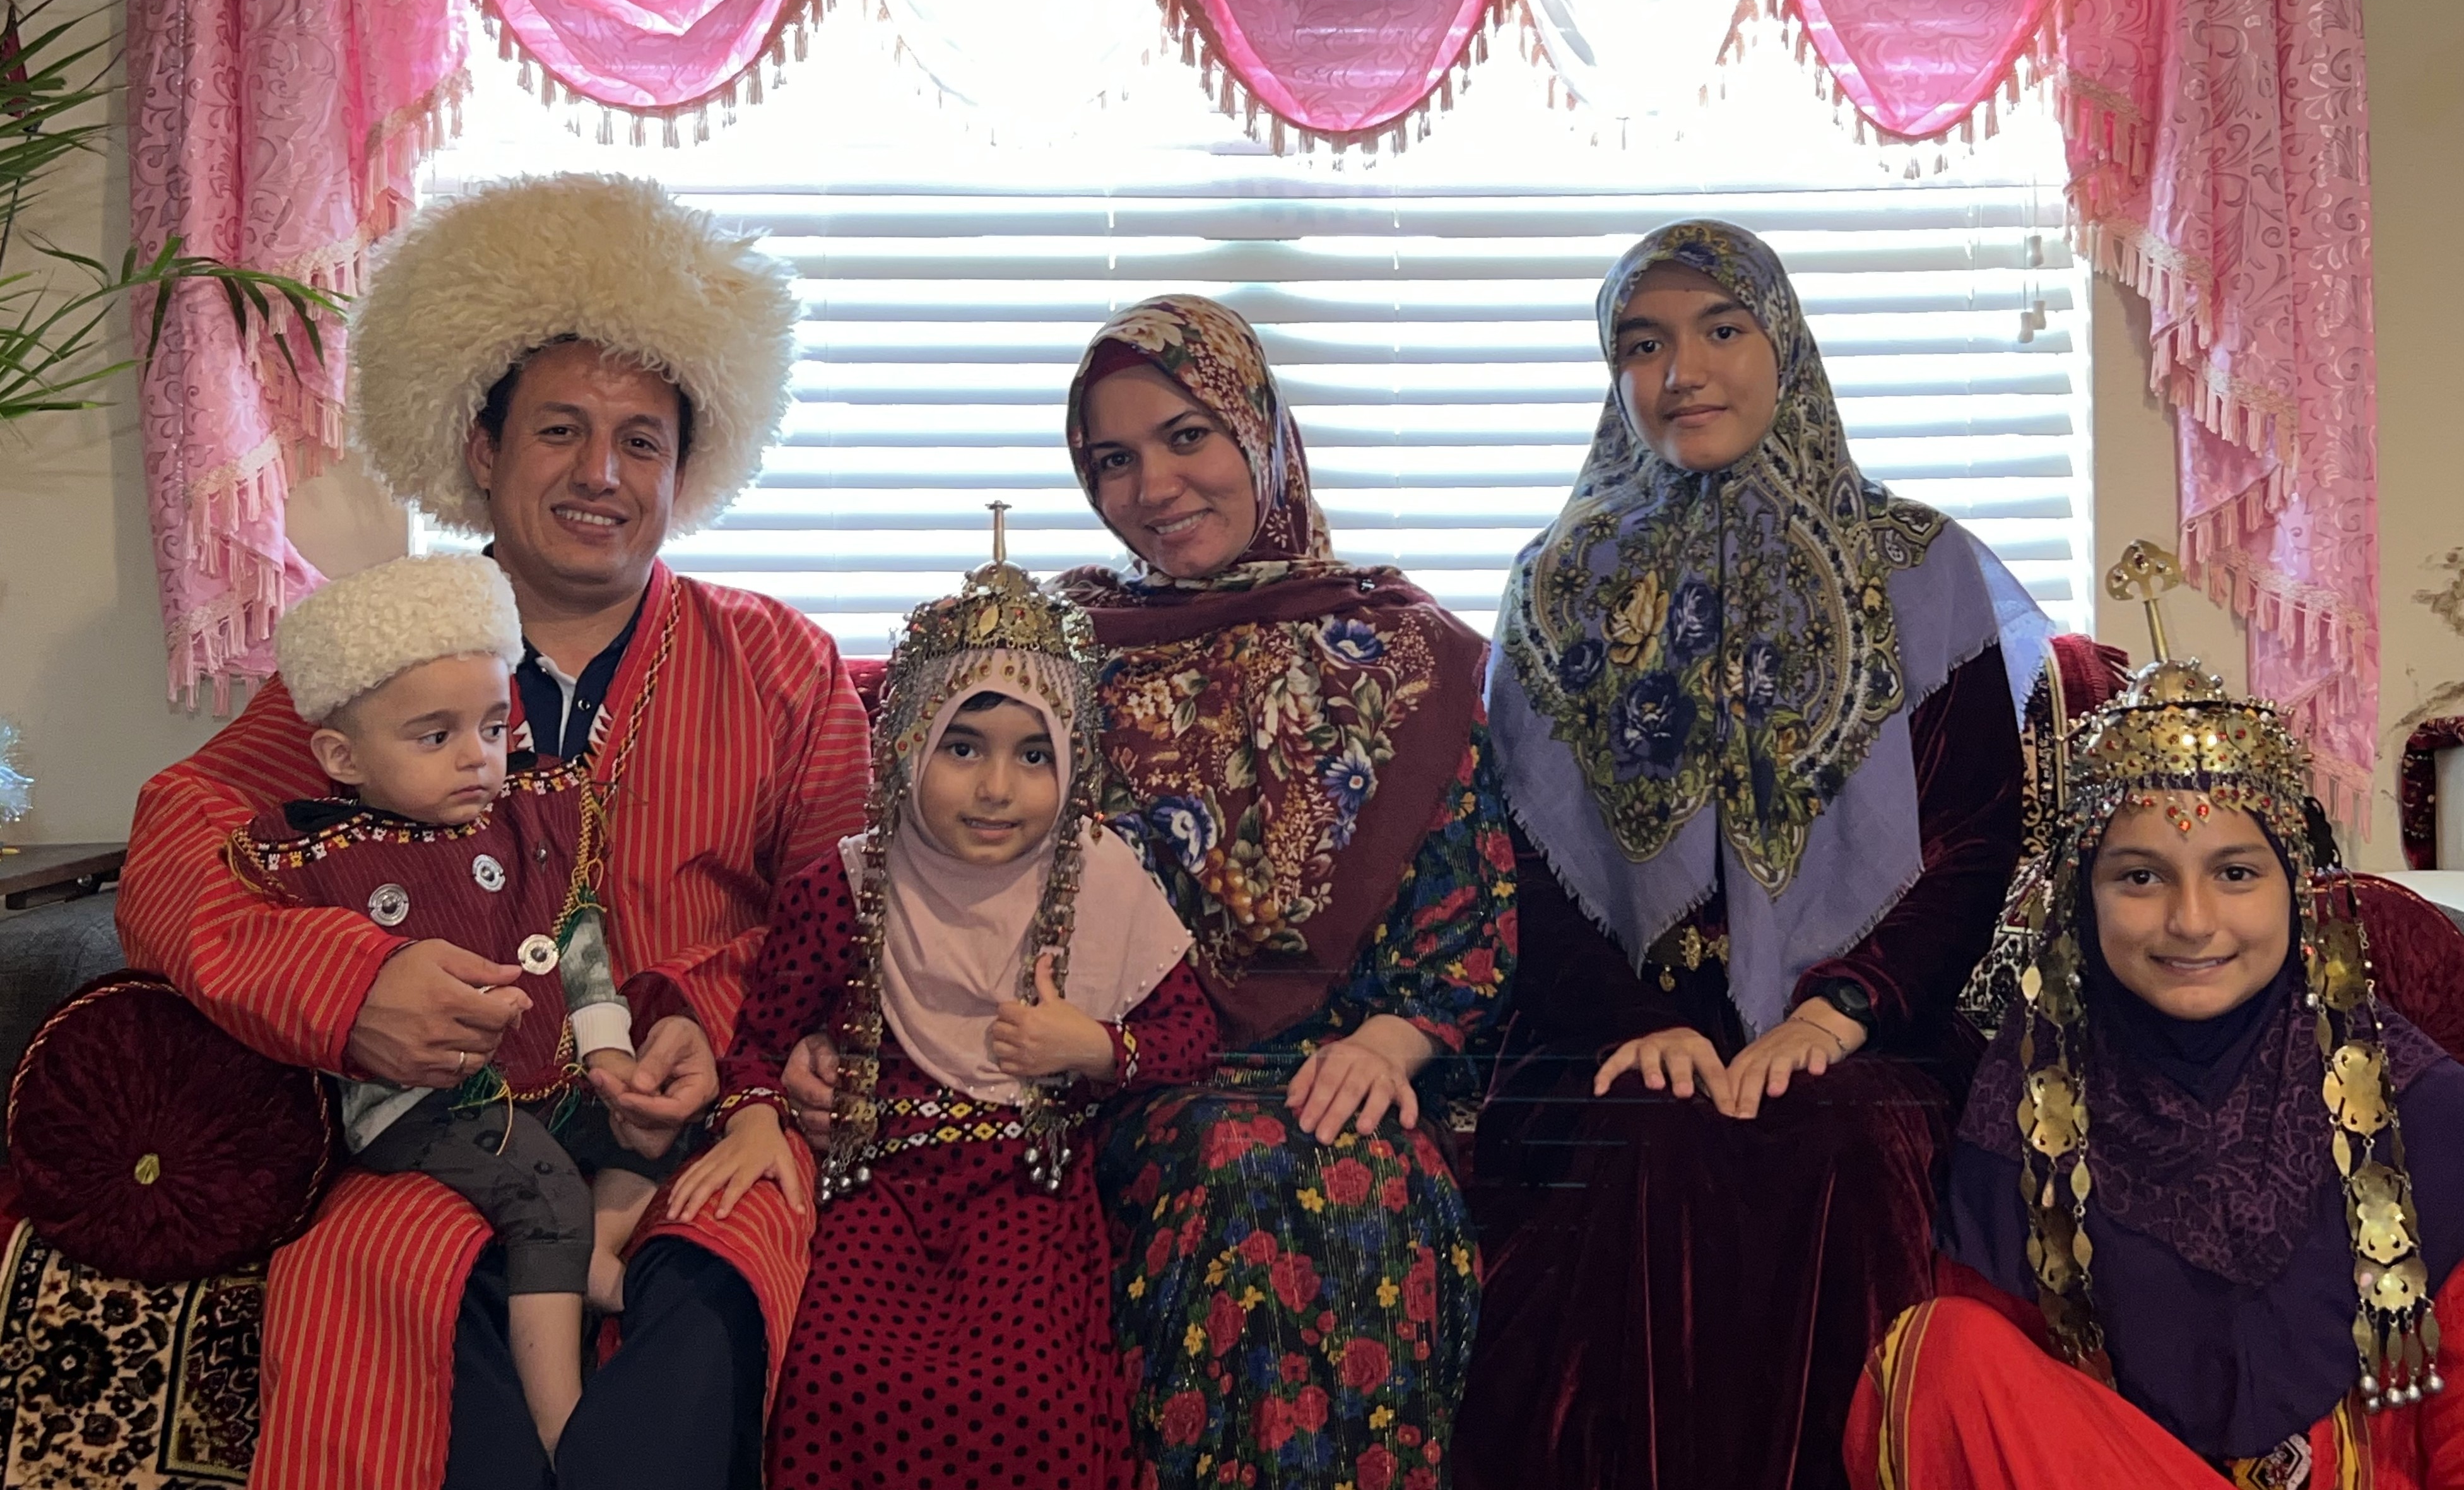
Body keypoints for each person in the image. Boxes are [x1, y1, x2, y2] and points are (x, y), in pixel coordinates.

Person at [118, 174, 872, 1490]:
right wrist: (352, 991)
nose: (601, 474)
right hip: (440, 1135)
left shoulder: (781, 664)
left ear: (685, 470)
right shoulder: (380, 657)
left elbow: (856, 911)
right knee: (376, 1284)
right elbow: (181, 845)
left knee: (714, 1292)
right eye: (560, 430)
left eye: (642, 442)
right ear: (481, 447)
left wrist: (709, 1026)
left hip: (700, 1130)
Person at [1458, 220, 2044, 1490]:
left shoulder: (1919, 565)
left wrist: (1840, 1011)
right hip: (1611, 1023)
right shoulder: (1556, 583)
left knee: (1836, 1140)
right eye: (1642, 344)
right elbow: (1515, 861)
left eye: (1720, 330)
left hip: (1871, 1023)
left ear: (1785, 344)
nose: (1682, 373)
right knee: (1648, 1139)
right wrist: (1637, 1023)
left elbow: (1973, 835)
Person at [1051, 295, 1515, 1487]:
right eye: (1113, 459)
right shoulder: (1059, 660)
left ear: (1260, 434)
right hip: (1119, 1073)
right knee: (1233, 1161)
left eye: (1187, 436)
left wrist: (1395, 1040)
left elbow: (1472, 904)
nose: (1154, 487)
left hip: (1362, 1067)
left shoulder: (1413, 652)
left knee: (1341, 1170)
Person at [670, 538, 1217, 1490]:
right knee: (837, 1380)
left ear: (1074, 761)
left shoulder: (1101, 882)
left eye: (1034, 755)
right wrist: (756, 1112)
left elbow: (1189, 1042)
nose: (997, 789)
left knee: (1026, 1396)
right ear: (908, 746)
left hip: (1028, 1188)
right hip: (874, 1185)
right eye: (963, 748)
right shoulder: (844, 888)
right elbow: (759, 1043)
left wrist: (1092, 1045)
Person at [1848, 658, 2464, 1488]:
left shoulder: (2419, 1109)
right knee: (1941, 1358)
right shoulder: (2028, 1101)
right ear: (2083, 897)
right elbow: (2014, 1420)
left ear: (2296, 889)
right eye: (2140, 877)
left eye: (2236, 873)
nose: (2191, 921)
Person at [236, 552, 676, 1454]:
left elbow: (578, 938)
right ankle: (564, 1426)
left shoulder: (530, 818)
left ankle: (593, 1250)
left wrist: (607, 1048)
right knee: (544, 1191)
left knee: (654, 1127)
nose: (478, 757)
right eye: (435, 738)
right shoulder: (329, 861)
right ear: (342, 757)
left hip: (547, 1077)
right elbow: (297, 974)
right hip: (423, 1103)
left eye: (492, 726)